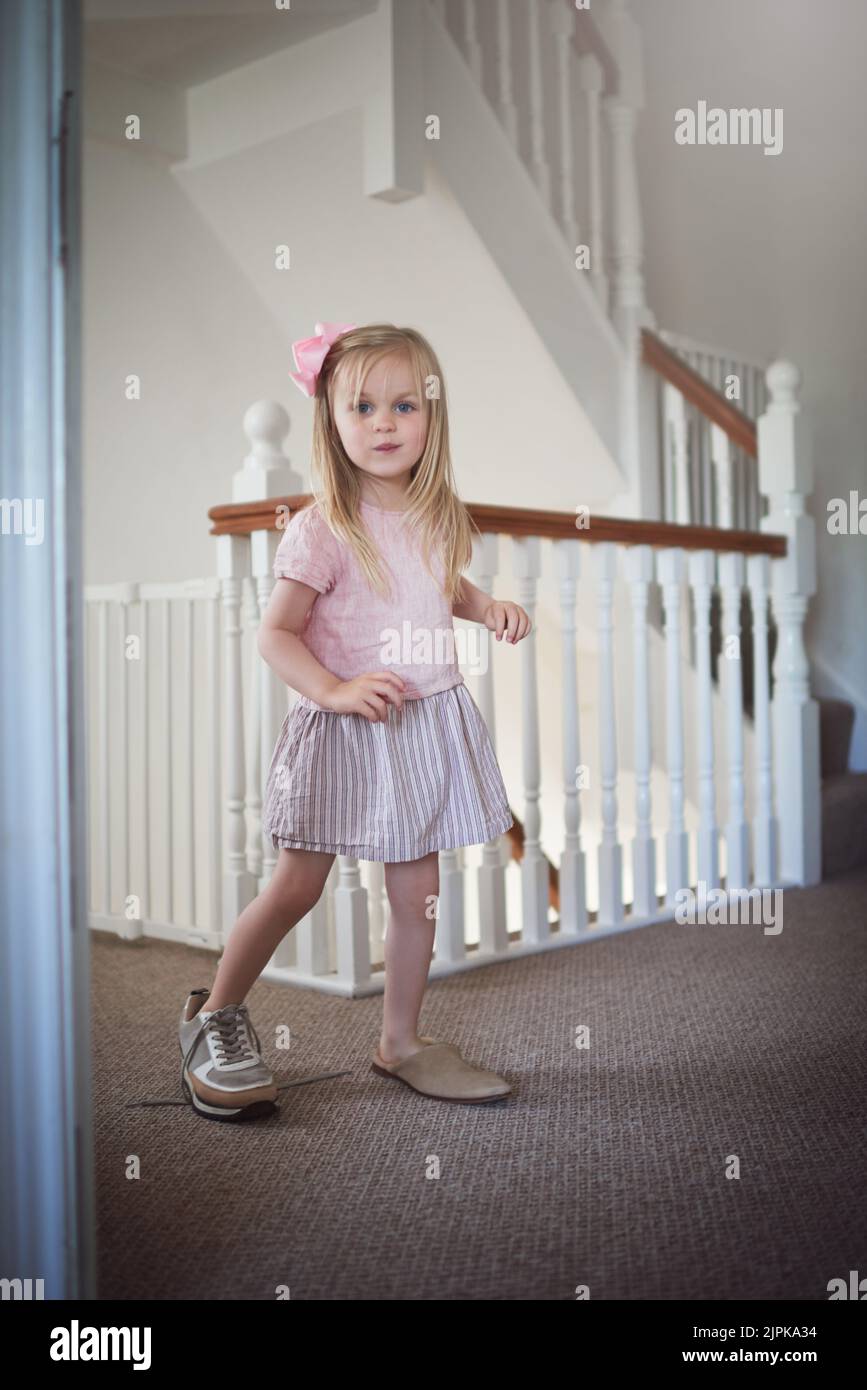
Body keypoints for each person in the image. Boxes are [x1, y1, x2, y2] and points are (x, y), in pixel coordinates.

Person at [178, 321, 531, 1120]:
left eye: (404, 404)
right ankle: (212, 1018)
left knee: (419, 896)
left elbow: (447, 590)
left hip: (420, 724)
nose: (383, 422)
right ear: (331, 422)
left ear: (431, 418)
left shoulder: (436, 513)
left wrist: (490, 608)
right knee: (296, 885)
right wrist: (334, 690)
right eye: (363, 406)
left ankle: (399, 1043)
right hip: (343, 728)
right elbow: (275, 634)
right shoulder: (323, 528)